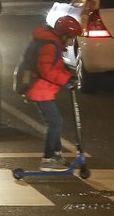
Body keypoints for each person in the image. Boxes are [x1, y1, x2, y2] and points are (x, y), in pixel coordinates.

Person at [25, 15, 82, 171]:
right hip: (39, 90)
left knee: (55, 122)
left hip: (43, 90)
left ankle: (56, 155)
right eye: (71, 39)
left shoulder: (52, 44)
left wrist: (69, 75)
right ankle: (48, 158)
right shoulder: (50, 46)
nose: (71, 43)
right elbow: (47, 70)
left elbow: (55, 67)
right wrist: (66, 80)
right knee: (55, 122)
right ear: (63, 35)